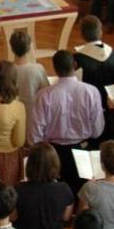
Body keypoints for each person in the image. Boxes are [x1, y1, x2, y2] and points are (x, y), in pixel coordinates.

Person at [29, 50, 104, 194]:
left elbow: (35, 133)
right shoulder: (91, 91)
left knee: (55, 193)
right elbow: (97, 131)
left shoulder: (44, 95)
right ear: (75, 65)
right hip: (83, 148)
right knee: (82, 192)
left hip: (53, 152)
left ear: (55, 69)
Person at [12, 142, 74, 229]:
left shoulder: (18, 190)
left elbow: (12, 217)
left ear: (29, 164)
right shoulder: (64, 189)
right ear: (55, 164)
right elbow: (66, 217)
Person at [74, 15, 114, 107]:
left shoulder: (78, 59)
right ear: (101, 32)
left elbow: (75, 87)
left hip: (89, 105)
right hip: (112, 104)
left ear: (81, 34)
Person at [9, 31, 48, 120]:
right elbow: (45, 92)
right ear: (29, 48)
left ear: (11, 48)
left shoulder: (6, 69)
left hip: (13, 115)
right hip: (34, 115)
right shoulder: (38, 68)